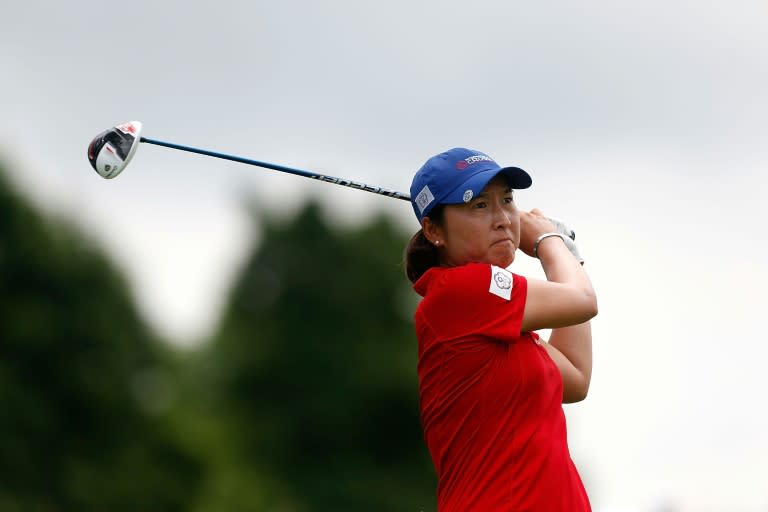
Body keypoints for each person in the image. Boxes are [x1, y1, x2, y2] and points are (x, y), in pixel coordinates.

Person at [405, 148, 598, 511]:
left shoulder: (498, 316)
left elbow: (575, 376)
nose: (502, 219)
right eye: (479, 205)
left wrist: (566, 252)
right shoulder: (463, 290)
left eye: (507, 201)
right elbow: (582, 299)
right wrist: (549, 242)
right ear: (433, 230)